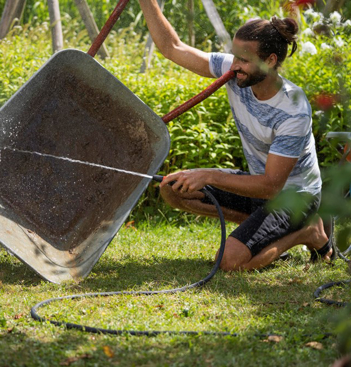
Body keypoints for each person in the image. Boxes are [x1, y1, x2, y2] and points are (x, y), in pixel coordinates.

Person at [138, 1, 335, 271]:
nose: (234, 66)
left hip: (293, 197)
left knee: (229, 262)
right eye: (234, 56)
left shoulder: (293, 111)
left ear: (270, 61)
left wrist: (207, 175)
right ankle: (262, 234)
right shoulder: (237, 71)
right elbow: (173, 48)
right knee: (173, 190)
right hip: (262, 193)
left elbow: (271, 186)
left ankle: (307, 232)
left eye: (243, 59)